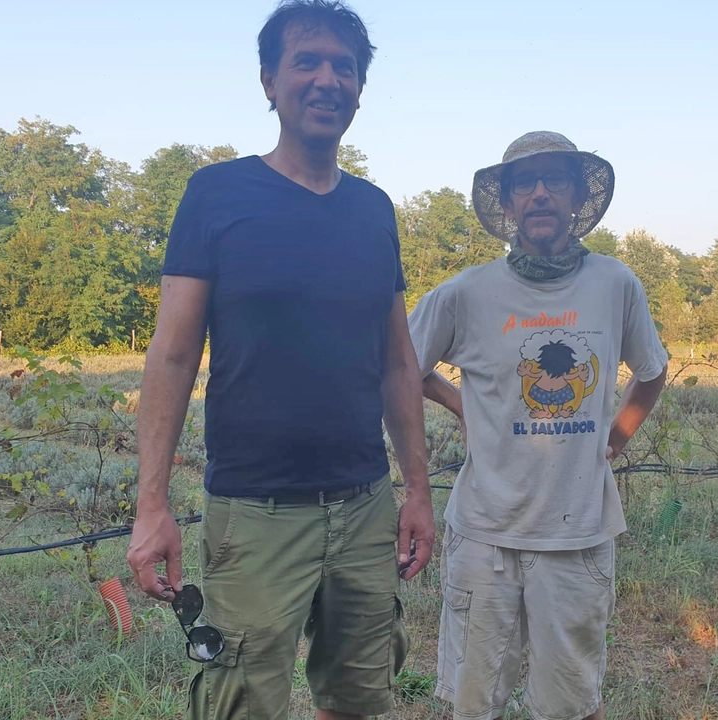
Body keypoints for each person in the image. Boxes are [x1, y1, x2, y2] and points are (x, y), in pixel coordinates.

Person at [125, 2, 436, 718]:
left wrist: (415, 491)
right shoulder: (217, 195)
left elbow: (396, 362)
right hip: (253, 512)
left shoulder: (374, 210)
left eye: (345, 68)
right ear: (269, 82)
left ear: (360, 89)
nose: (328, 80)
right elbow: (173, 356)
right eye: (308, 62)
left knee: (359, 697)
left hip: (364, 508)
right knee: (240, 702)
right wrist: (152, 506)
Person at [407, 131, 669, 720]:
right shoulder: (466, 294)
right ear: (508, 203)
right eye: (526, 182)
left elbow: (651, 372)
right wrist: (463, 408)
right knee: (476, 707)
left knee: (574, 705)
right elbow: (400, 367)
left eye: (556, 180)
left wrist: (615, 439)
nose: (541, 193)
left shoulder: (615, 285)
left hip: (577, 538)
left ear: (578, 196)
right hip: (484, 536)